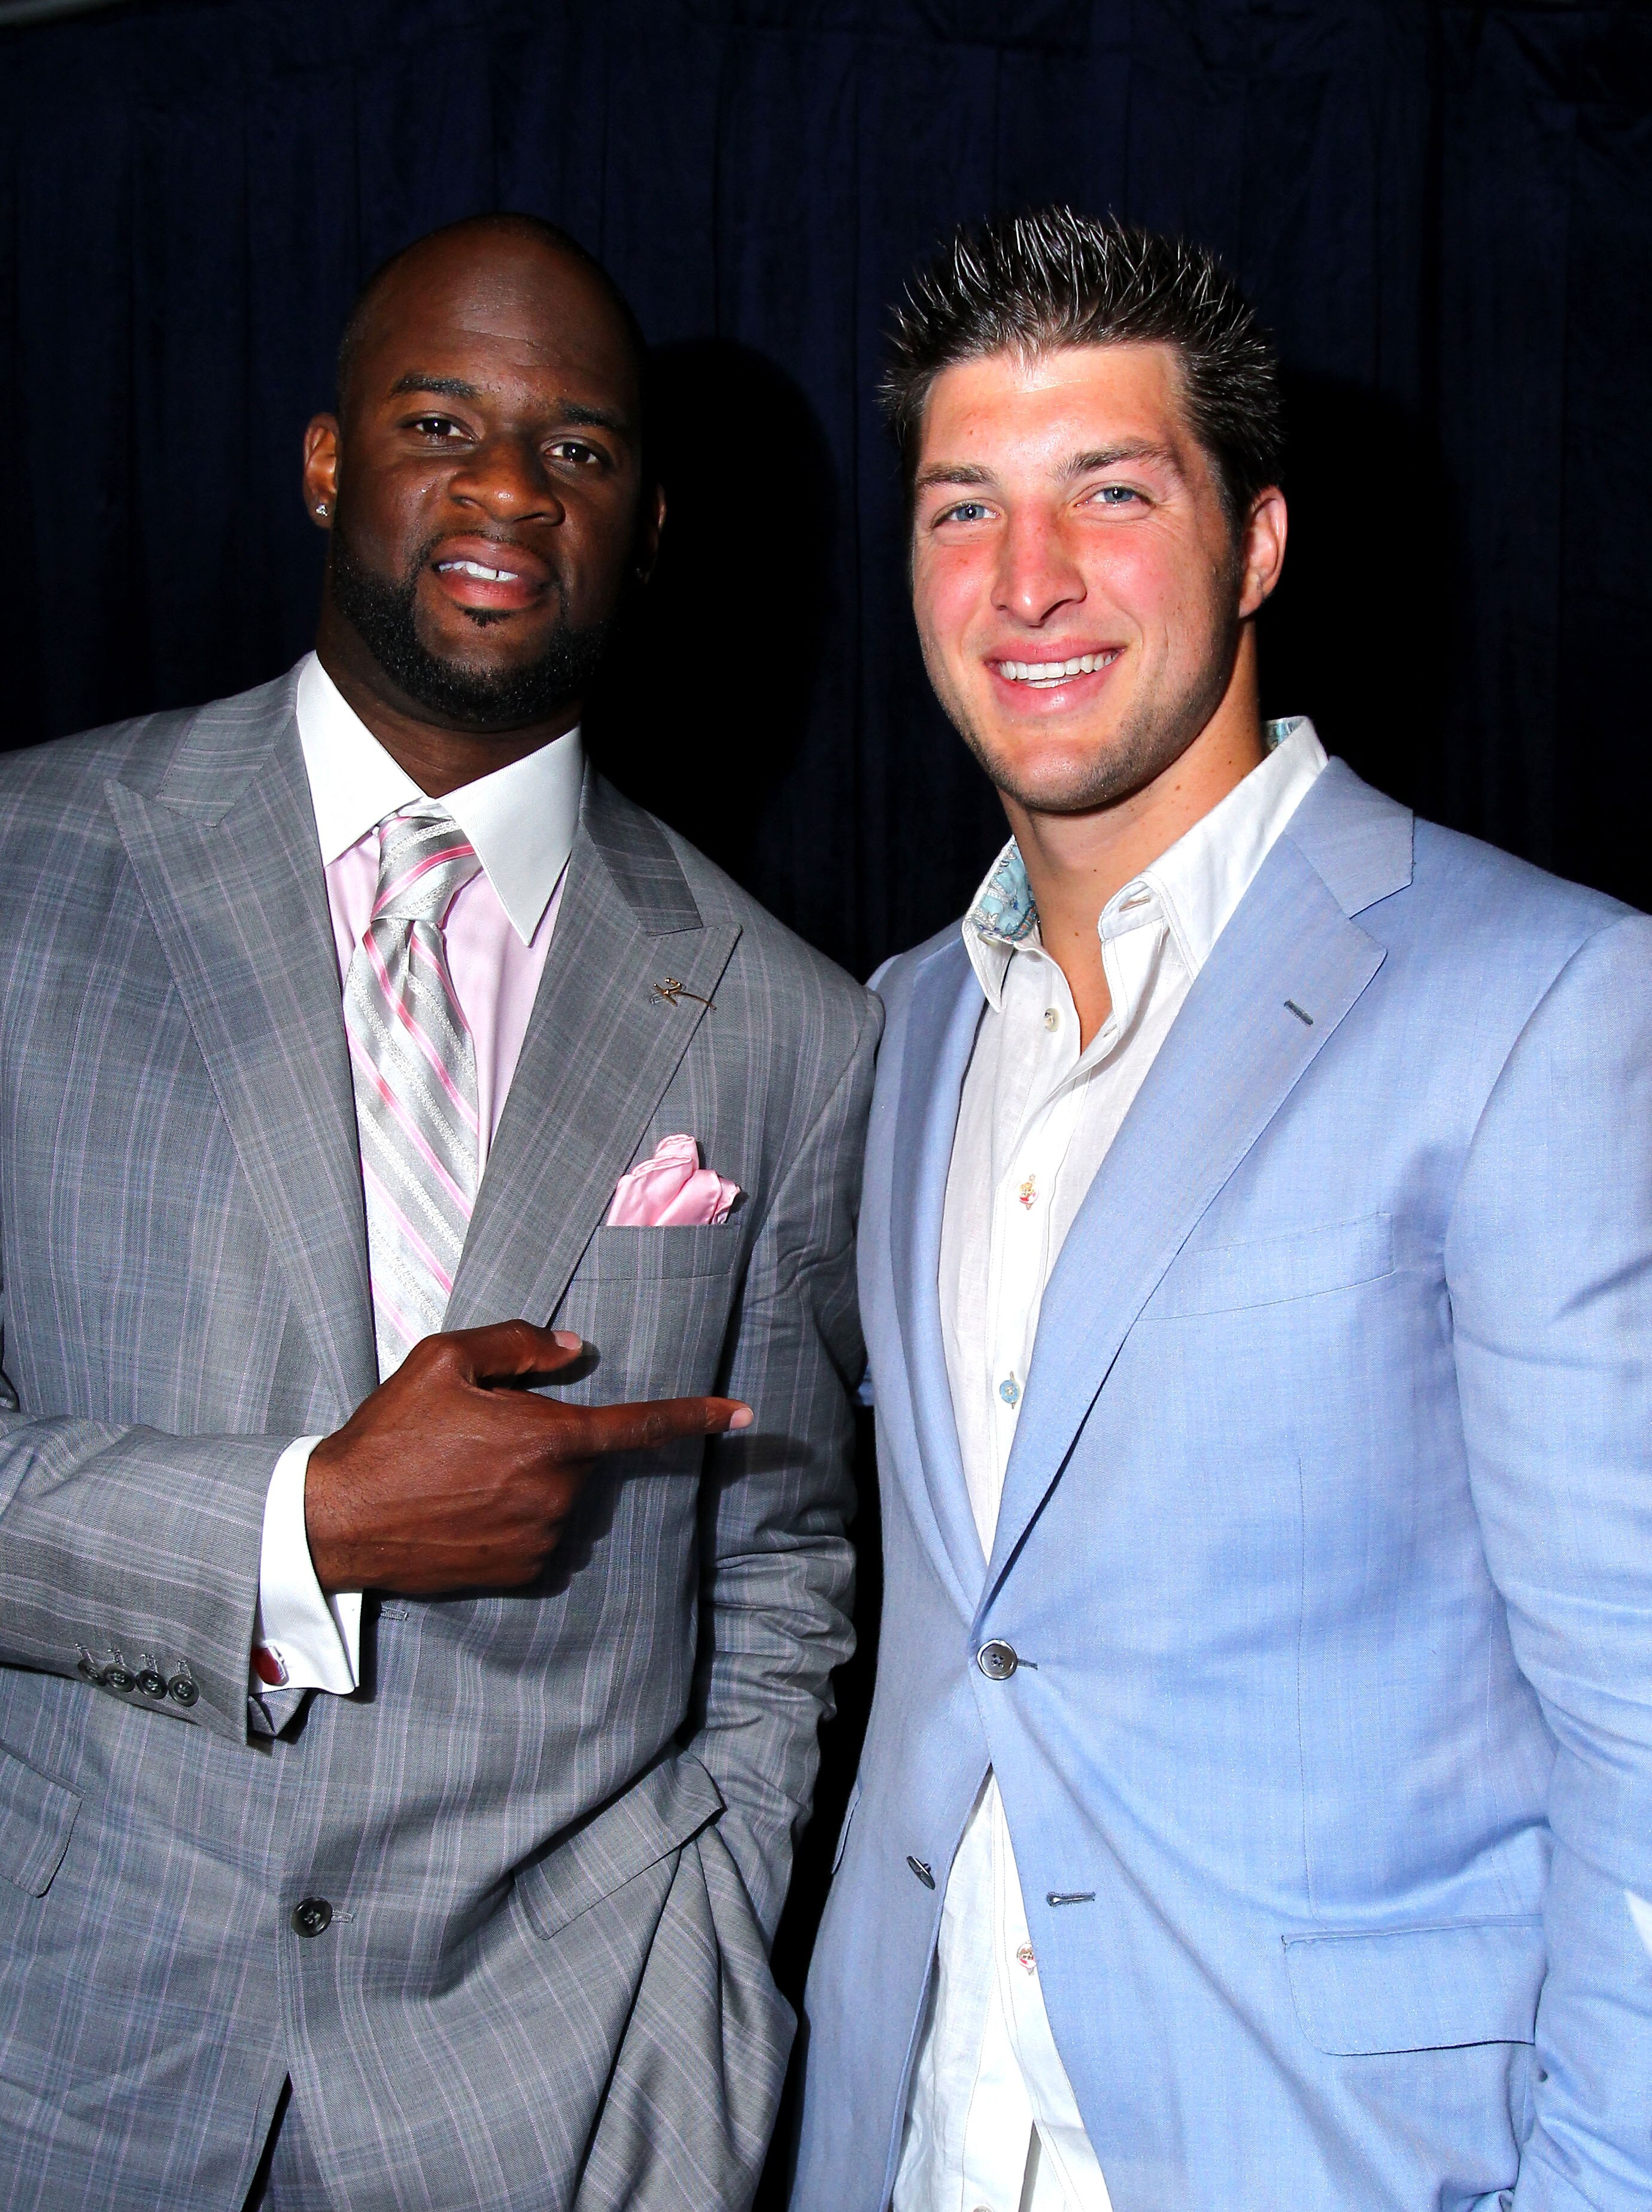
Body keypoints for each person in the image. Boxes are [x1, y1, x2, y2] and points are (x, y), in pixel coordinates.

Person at [0, 212, 875, 2211]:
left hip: (547, 2102)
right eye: (442, 420)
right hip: (58, 2056)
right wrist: (294, 1525)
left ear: (647, 523)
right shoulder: (23, 872)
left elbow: (784, 1567)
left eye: (579, 448)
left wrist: (705, 1960)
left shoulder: (788, 1028)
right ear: (329, 463)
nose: (507, 486)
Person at [792, 206, 1652, 2211]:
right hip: (919, 2133)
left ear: (1255, 541)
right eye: (961, 509)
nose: (1028, 584)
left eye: (1110, 491)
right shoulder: (905, 1020)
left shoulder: (1543, 997)